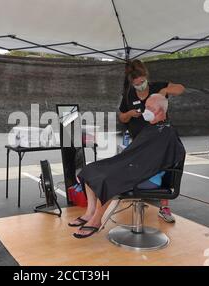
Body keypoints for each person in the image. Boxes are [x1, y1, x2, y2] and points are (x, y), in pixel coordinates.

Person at [69, 94, 186, 239]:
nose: (145, 110)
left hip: (149, 177)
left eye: (149, 107)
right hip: (137, 170)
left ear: (161, 110)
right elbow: (139, 154)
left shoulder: (167, 132)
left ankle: (96, 220)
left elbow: (161, 159)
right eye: (145, 107)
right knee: (90, 169)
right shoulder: (152, 128)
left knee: (109, 178)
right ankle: (90, 213)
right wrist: (125, 161)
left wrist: (128, 165)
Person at [118, 59, 185, 223]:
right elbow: (121, 116)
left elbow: (180, 88)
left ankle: (164, 207)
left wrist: (165, 91)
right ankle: (137, 195)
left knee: (163, 167)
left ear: (146, 77)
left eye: (142, 81)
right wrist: (129, 114)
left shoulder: (157, 87)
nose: (140, 85)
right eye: (136, 83)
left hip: (158, 140)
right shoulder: (128, 95)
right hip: (139, 142)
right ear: (131, 83)